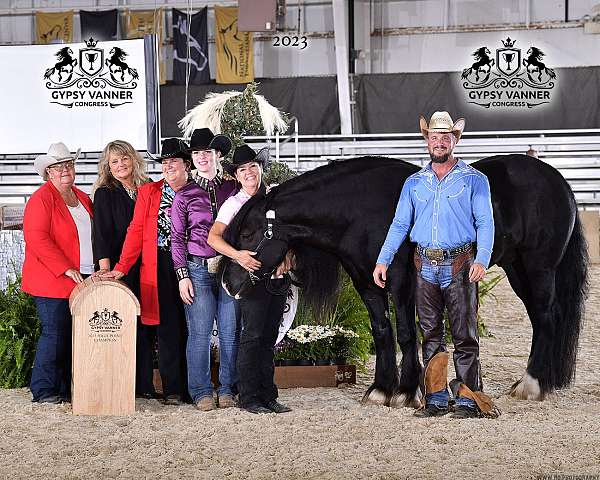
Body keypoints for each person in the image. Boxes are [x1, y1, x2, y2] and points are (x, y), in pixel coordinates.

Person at [372, 111, 495, 419]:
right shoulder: (414, 183)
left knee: (465, 334)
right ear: (426, 140)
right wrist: (383, 259)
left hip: (460, 264)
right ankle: (436, 398)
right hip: (424, 264)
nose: (439, 142)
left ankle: (468, 399)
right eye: (434, 137)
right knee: (430, 333)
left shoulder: (475, 180)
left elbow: (485, 222)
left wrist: (482, 259)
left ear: (455, 140)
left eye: (445, 137)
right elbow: (400, 224)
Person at [103, 138, 190, 405]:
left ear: (187, 164)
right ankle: (174, 389)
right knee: (168, 328)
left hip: (193, 264)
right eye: (164, 162)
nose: (168, 166)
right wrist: (120, 267)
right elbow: (136, 231)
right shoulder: (149, 192)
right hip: (161, 264)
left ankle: (195, 387)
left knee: (193, 328)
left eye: (173, 161)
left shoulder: (197, 191)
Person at [208, 144, 293, 415]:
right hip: (252, 277)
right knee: (253, 335)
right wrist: (238, 256)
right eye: (242, 169)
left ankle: (268, 394)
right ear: (236, 175)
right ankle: (249, 396)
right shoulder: (233, 203)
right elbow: (213, 237)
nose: (248, 172)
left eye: (252, 167)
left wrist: (289, 256)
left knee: (269, 337)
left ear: (260, 169)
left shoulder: (276, 197)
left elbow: (291, 233)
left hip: (278, 277)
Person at [170, 128, 240, 411]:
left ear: (217, 155)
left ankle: (227, 388)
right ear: (192, 158)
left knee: (229, 331)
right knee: (199, 333)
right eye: (196, 153)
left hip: (228, 269)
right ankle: (200, 391)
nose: (201, 157)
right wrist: (182, 275)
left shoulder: (231, 188)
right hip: (197, 269)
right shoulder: (184, 195)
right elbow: (176, 238)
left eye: (207, 152)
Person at [22, 142, 93, 404]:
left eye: (68, 165)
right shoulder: (41, 199)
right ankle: (44, 390)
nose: (64, 170)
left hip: (84, 276)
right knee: (55, 332)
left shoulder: (83, 197)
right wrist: (66, 268)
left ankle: (64, 389)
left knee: (73, 334)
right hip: (52, 280)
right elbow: (37, 238)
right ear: (48, 173)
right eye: (57, 167)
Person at [91, 140, 156, 399]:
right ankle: (127, 385)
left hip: (149, 265)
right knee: (127, 326)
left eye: (124, 159)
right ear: (108, 166)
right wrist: (106, 271)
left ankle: (146, 385)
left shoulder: (148, 187)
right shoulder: (105, 193)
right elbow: (101, 234)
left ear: (134, 159)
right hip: (121, 267)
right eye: (114, 161)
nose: (120, 165)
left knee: (147, 324)